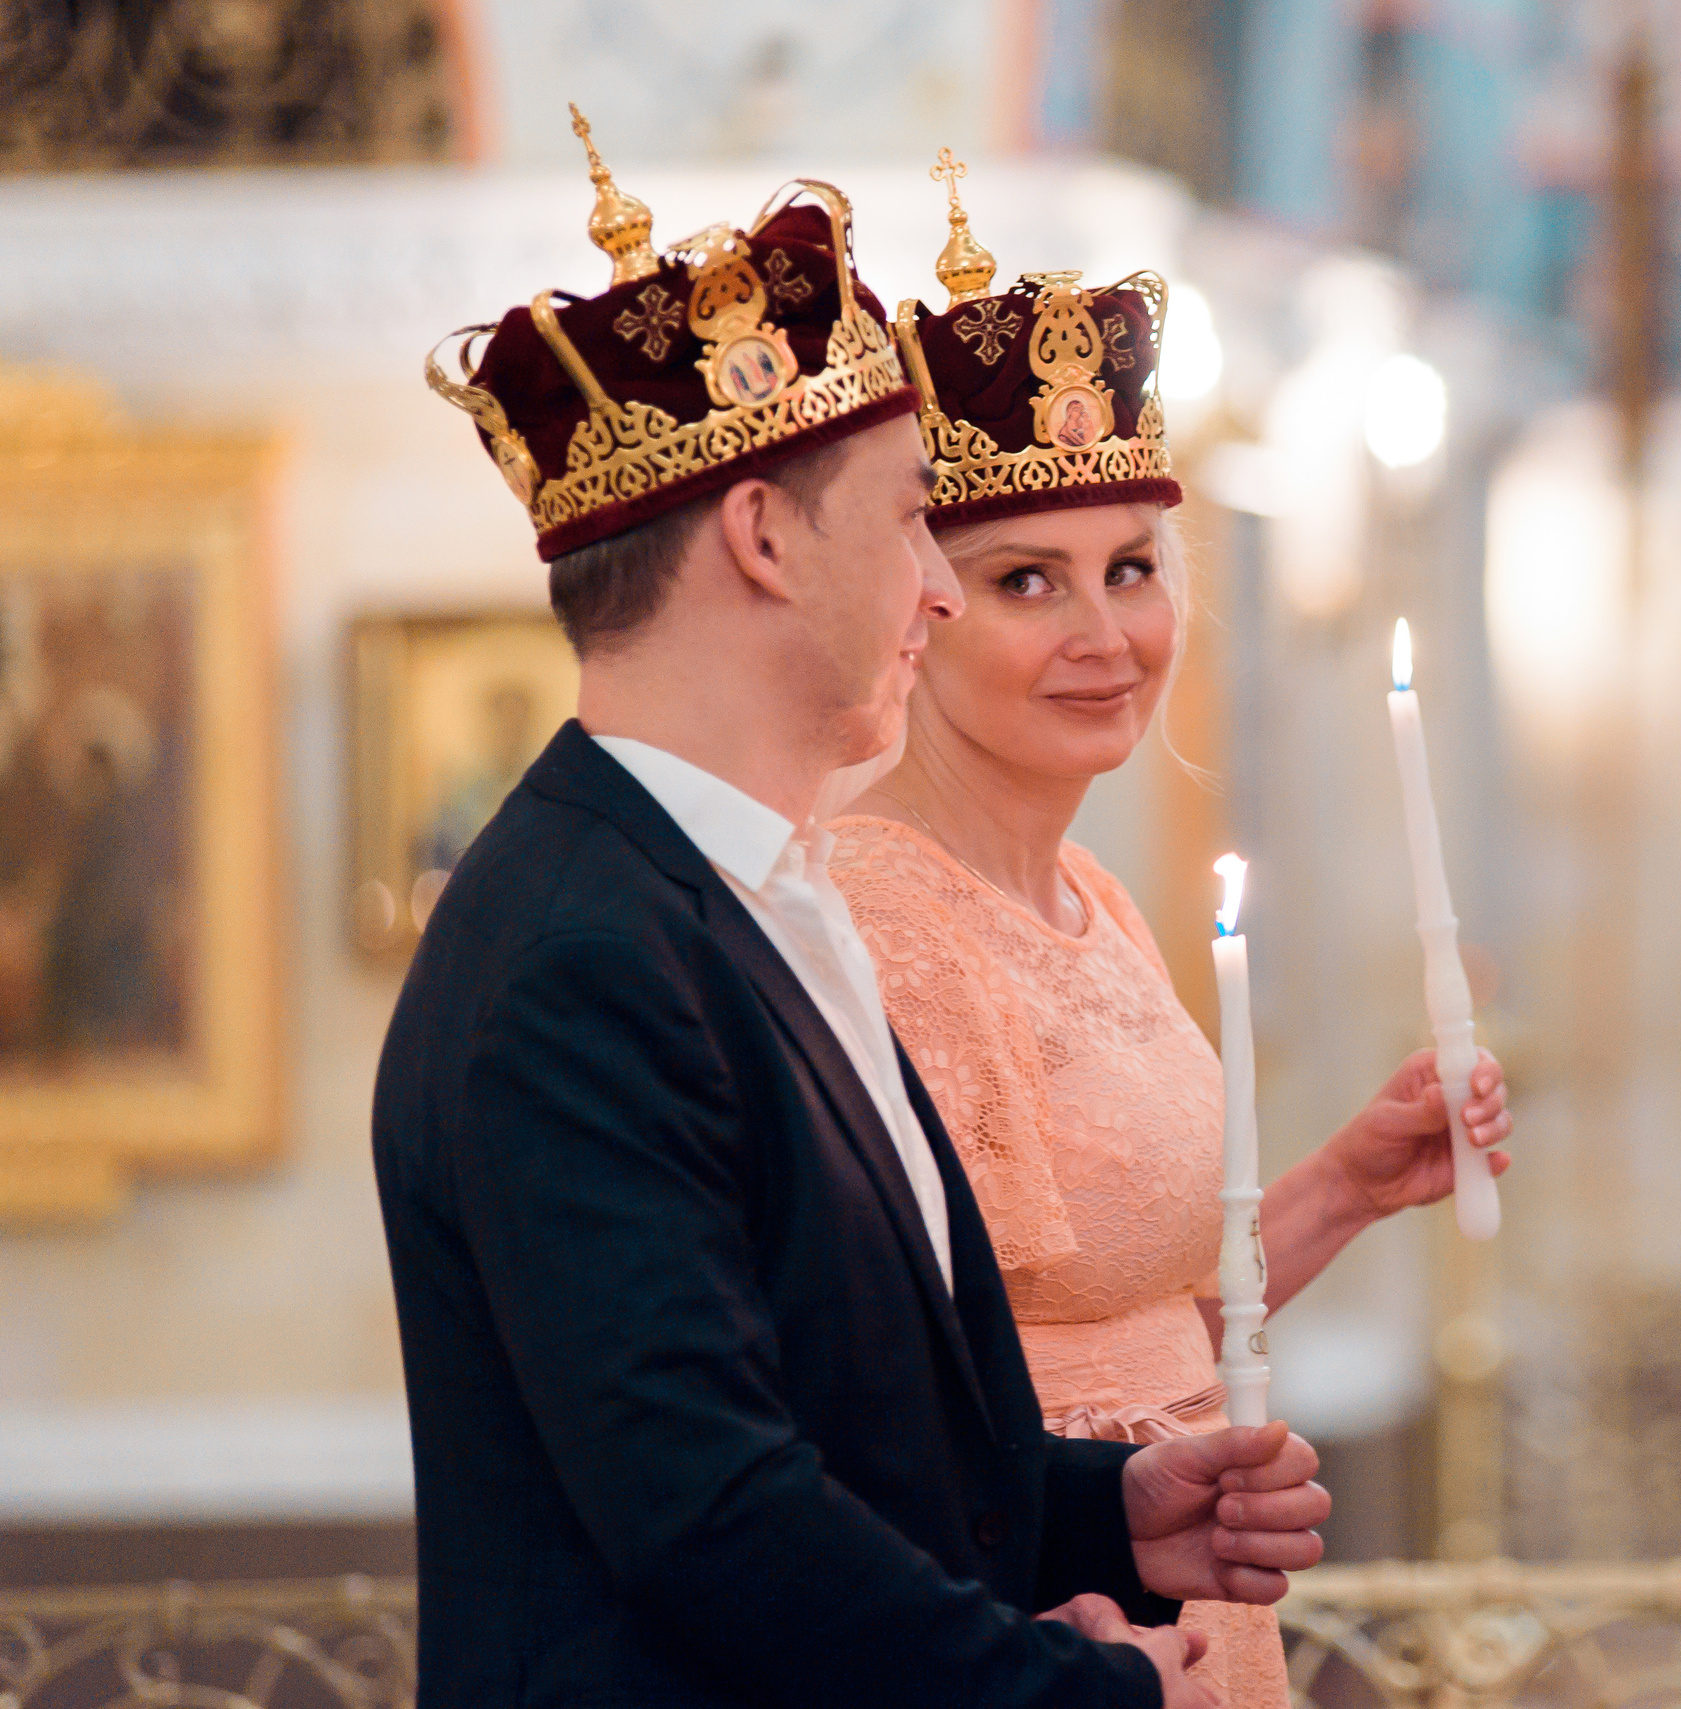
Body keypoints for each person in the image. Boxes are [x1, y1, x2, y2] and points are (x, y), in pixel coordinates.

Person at [381, 123, 1328, 1709]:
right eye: (907, 520)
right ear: (760, 536)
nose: (941, 589)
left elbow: (864, 1413)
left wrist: (1096, 1510)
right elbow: (712, 1516)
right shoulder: (579, 955)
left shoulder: (741, 896)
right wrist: (1077, 1695)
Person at [831, 166, 1514, 1709]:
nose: (1105, 632)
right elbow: (907, 1406)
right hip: (1055, 1623)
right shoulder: (889, 919)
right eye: (1029, 582)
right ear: (919, 613)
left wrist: (1347, 1180)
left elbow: (1150, 1316)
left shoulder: (1099, 900)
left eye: (1132, 570)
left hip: (1187, 1591)